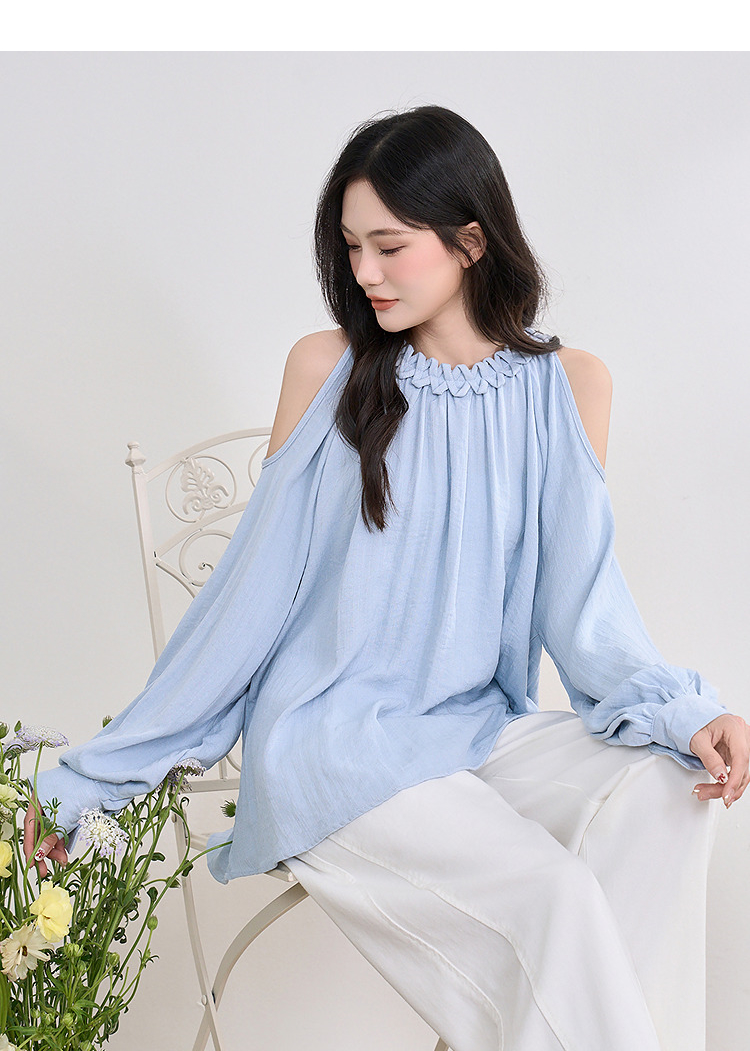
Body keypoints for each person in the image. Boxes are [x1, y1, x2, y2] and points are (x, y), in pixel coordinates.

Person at [25, 105, 748, 1050]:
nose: (363, 272)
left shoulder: (568, 387)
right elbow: (247, 603)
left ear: (471, 242)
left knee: (665, 787)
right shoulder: (328, 368)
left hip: (475, 729)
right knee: (553, 895)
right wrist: (95, 778)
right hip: (333, 740)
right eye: (352, 246)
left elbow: (585, 609)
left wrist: (681, 712)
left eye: (390, 246)